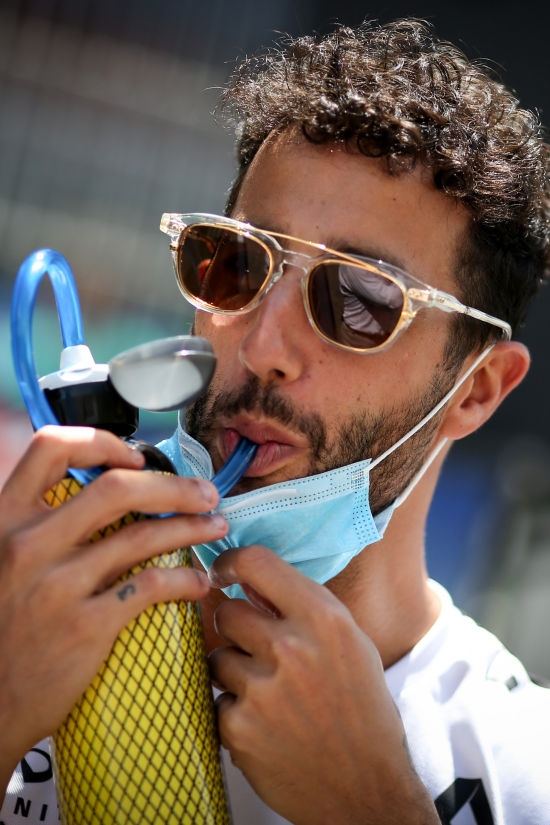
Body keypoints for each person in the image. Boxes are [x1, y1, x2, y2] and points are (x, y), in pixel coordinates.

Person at [1, 16, 549, 825]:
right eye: (235, 265)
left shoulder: (528, 767)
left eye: (358, 300)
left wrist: (377, 808)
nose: (262, 348)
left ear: (476, 391)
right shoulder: (18, 617)